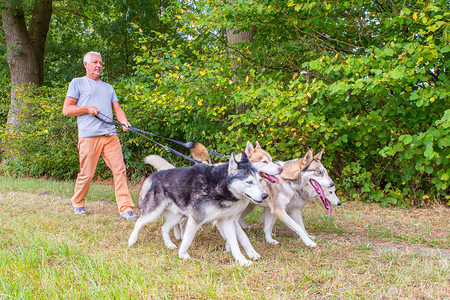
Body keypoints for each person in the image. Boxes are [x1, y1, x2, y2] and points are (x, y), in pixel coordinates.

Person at [62, 51, 138, 221]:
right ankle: (78, 202)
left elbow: (117, 109)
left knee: (120, 171)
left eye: (101, 63)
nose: (98, 65)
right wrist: (87, 109)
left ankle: (126, 209)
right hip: (89, 136)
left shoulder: (108, 88)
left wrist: (124, 121)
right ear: (85, 64)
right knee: (87, 174)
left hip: (110, 136)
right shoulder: (78, 83)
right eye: (95, 62)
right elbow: (67, 110)